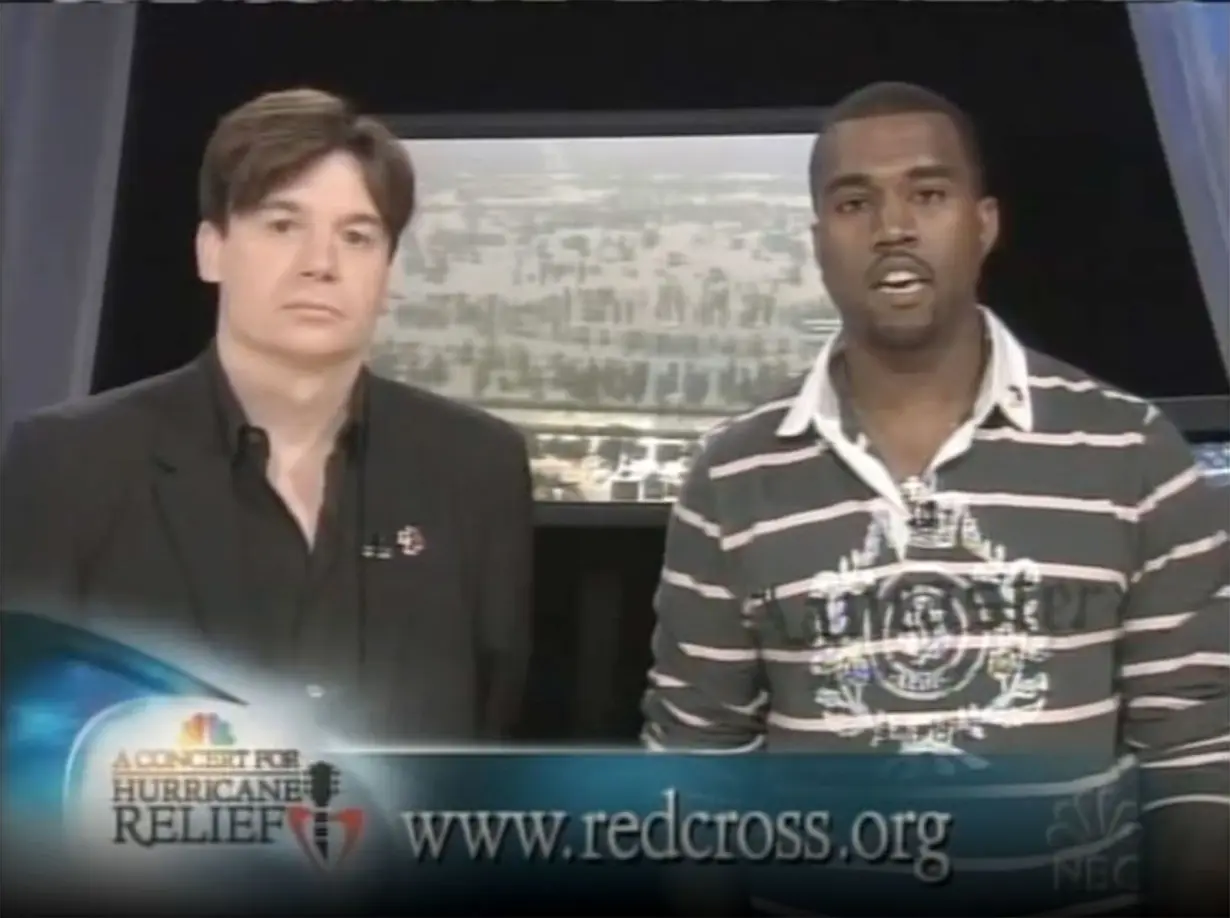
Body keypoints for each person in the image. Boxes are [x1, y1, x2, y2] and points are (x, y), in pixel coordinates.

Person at [642, 82, 1227, 913]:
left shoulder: (1135, 455)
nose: (893, 228)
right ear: (818, 242)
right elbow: (697, 763)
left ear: (984, 223)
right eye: (855, 202)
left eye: (928, 193)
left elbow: (1195, 756)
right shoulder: (731, 478)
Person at [0, 89, 535, 743]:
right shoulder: (70, 463)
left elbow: (490, 730)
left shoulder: (477, 469)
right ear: (212, 249)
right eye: (283, 225)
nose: (320, 264)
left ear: (387, 269)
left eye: (357, 236)